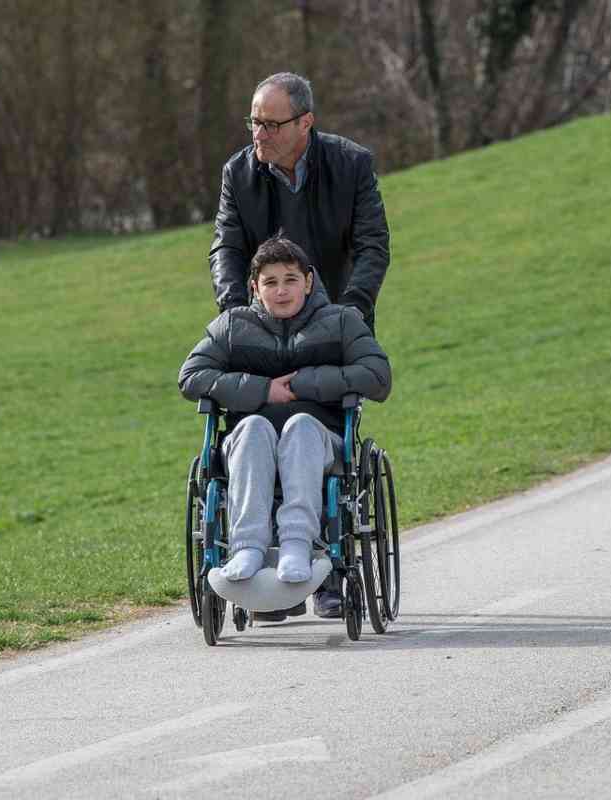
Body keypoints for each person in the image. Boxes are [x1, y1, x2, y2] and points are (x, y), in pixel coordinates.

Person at [179, 237, 391, 614]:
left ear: (309, 282)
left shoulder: (341, 321)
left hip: (320, 439)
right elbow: (191, 376)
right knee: (254, 428)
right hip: (248, 439)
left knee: (300, 427)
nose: (281, 291)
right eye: (270, 282)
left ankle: (297, 544)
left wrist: (303, 384)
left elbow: (377, 376)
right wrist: (264, 390)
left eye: (290, 280)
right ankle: (247, 547)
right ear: (254, 288)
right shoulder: (232, 326)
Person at [209, 72, 390, 333]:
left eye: (271, 125)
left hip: (342, 322)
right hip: (265, 330)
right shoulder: (237, 174)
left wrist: (353, 309)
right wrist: (235, 315)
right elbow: (226, 249)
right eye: (255, 123)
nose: (259, 135)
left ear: (305, 123)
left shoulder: (352, 164)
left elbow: (373, 245)